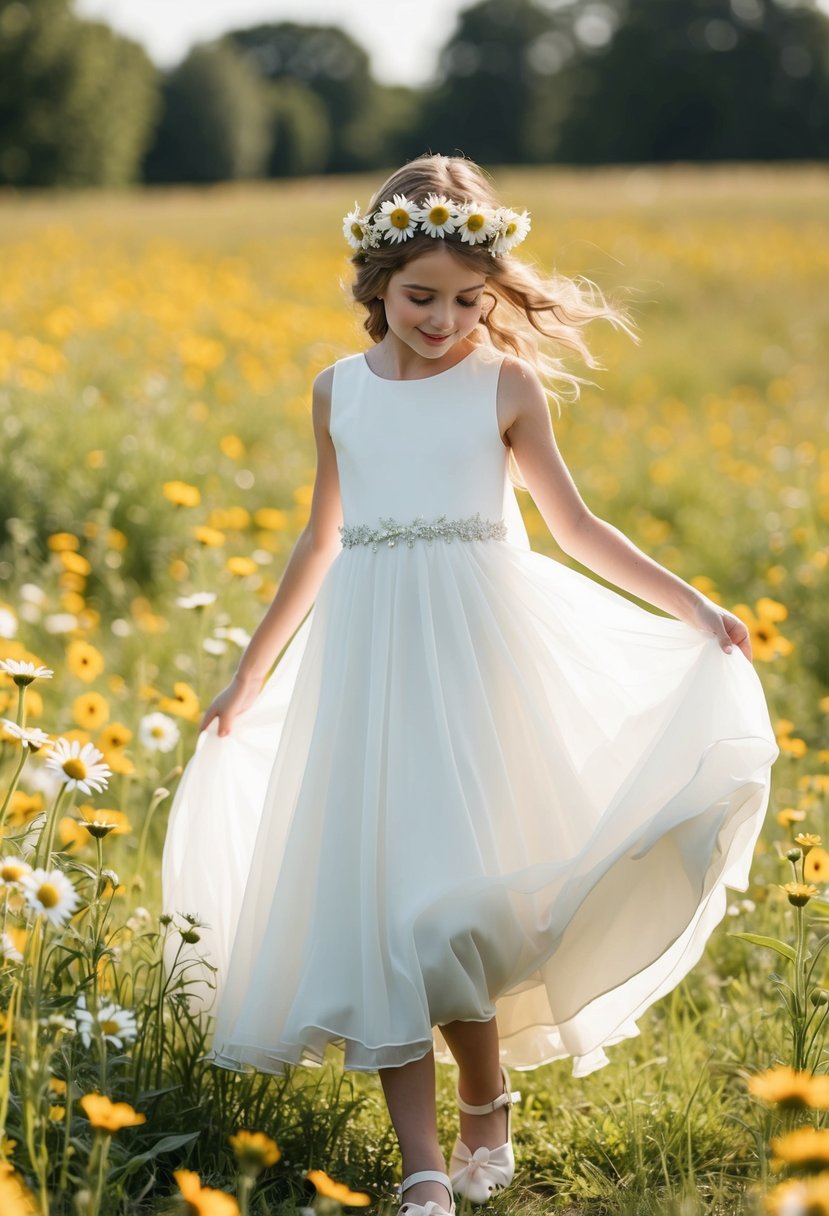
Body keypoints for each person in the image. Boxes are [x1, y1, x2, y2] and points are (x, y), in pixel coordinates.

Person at [161, 153, 779, 1216]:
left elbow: (575, 526)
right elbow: (320, 541)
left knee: (452, 909)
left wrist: (690, 604)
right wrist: (247, 671)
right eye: (419, 298)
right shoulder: (337, 393)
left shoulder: (505, 386)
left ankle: (485, 1097)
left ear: (491, 293)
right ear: (372, 286)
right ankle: (423, 1166)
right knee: (388, 913)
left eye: (465, 299)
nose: (442, 319)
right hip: (366, 663)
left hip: (478, 657)